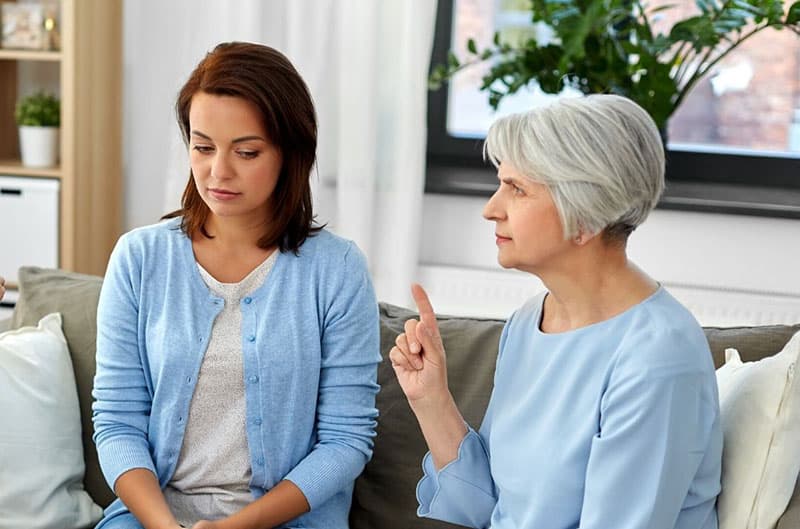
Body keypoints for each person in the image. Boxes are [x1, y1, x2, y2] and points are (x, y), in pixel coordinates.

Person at [390, 94, 723, 529]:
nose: (491, 209)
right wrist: (431, 398)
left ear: (584, 216)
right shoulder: (530, 322)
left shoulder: (659, 357)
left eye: (517, 189)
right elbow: (486, 509)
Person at [92, 42, 381, 529]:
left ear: (291, 152)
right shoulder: (139, 258)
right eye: (203, 147)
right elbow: (117, 422)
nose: (218, 171)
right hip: (151, 518)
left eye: (246, 152)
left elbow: (345, 440)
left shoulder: (337, 270)